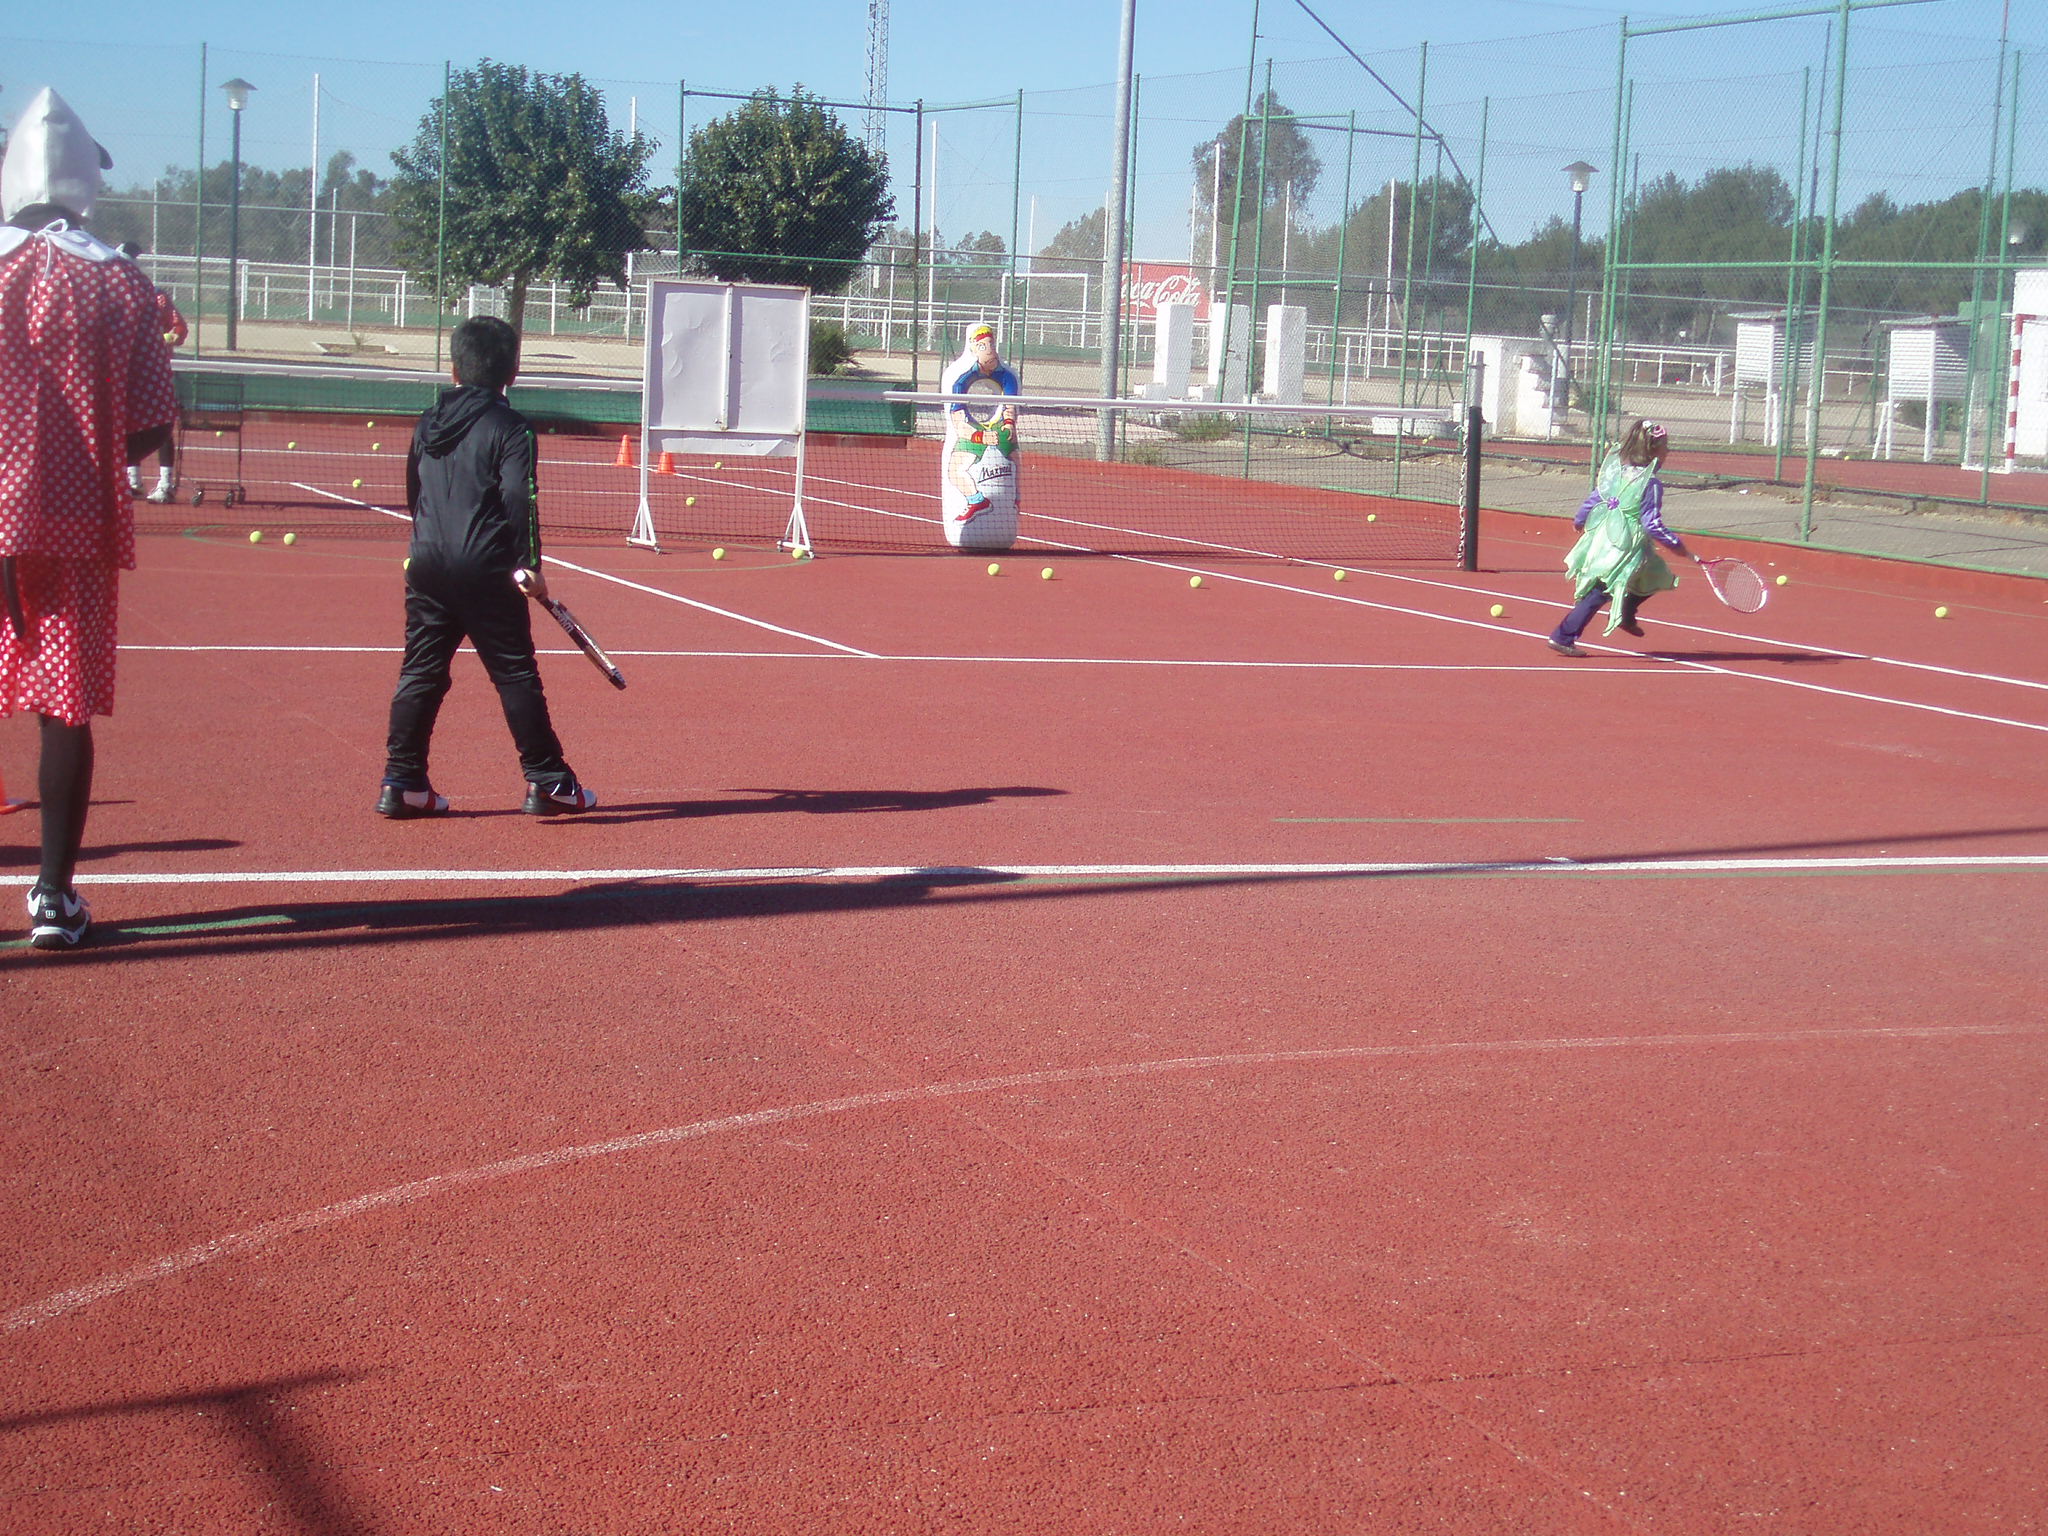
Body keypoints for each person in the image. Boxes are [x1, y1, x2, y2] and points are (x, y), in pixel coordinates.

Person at [1, 88, 178, 949]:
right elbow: (149, 423)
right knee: (63, 709)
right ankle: (52, 895)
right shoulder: (120, 281)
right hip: (73, 524)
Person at [379, 314, 597, 819]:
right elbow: (520, 496)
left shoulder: (427, 421)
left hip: (427, 563)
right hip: (485, 568)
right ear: (513, 372)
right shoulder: (512, 427)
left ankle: (402, 781)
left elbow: (414, 491)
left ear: (453, 368)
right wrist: (529, 563)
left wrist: (430, 541)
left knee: (421, 671)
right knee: (515, 673)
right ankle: (548, 780)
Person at [1546, 418, 1699, 657]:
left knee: (1656, 573)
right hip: (1625, 543)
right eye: (1665, 447)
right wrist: (1675, 544)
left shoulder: (1617, 474)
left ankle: (1627, 612)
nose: (1668, 451)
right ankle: (1563, 635)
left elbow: (1596, 497)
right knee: (1602, 588)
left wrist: (1580, 518)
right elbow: (1651, 523)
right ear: (1653, 451)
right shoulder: (1651, 484)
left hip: (1607, 535)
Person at [116, 241, 187, 503]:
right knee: (125, 424)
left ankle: (166, 485)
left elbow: (179, 330)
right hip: (125, 374)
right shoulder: (113, 295)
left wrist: (166, 339)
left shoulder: (157, 296)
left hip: (155, 375)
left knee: (161, 425)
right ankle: (132, 482)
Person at [941, 321, 1020, 525]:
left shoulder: (1008, 376)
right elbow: (958, 422)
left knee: (1014, 459)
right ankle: (977, 501)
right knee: (955, 470)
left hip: (1000, 427)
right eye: (983, 346)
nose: (989, 351)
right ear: (974, 348)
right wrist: (980, 436)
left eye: (990, 344)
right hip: (973, 431)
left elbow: (1010, 406)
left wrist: (1008, 424)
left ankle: (1016, 498)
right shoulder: (960, 379)